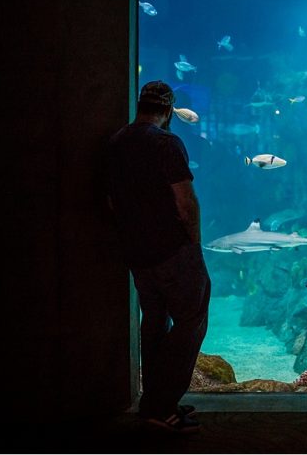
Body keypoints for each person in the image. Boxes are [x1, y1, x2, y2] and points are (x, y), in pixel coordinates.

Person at [106, 80, 210, 434]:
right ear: (168, 111)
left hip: (136, 253)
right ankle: (163, 406)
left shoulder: (116, 141)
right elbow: (185, 201)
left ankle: (153, 402)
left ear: (140, 106)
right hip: (173, 251)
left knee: (153, 323)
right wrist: (193, 244)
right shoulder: (166, 143)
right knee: (191, 321)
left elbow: (110, 201)